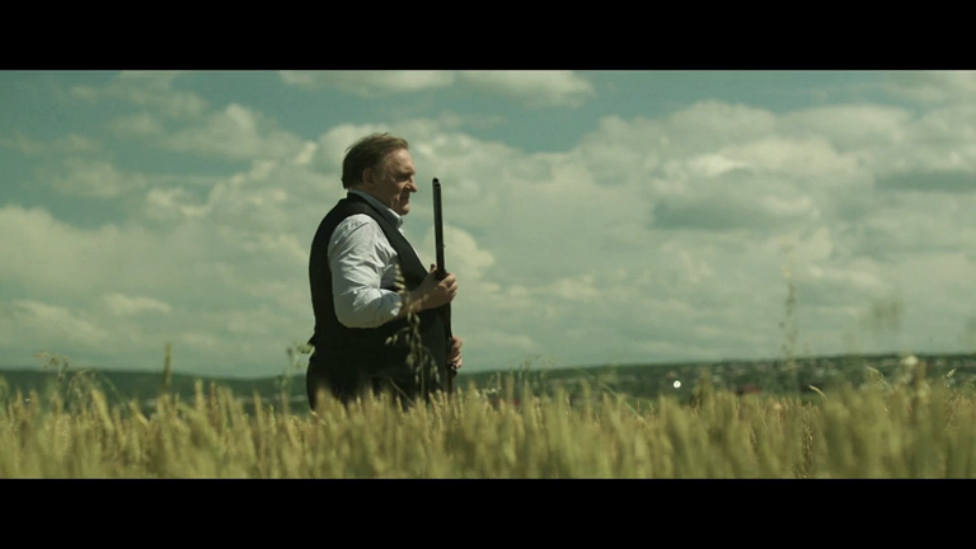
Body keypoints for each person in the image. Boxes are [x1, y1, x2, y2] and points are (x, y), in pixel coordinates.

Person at [305, 133, 463, 412]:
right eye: (403, 177)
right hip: (371, 394)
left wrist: (437, 345)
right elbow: (354, 306)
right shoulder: (361, 226)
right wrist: (424, 298)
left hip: (381, 393)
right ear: (369, 178)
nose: (414, 187)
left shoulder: (366, 222)